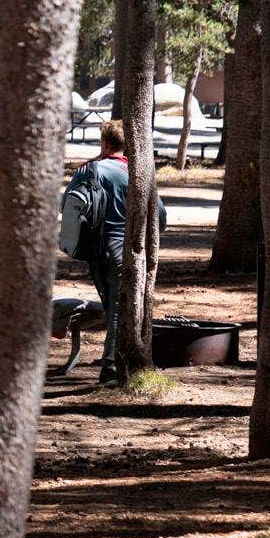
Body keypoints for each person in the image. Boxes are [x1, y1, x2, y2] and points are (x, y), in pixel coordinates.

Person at [64, 119, 160, 385]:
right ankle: (115, 364)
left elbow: (68, 206)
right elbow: (159, 214)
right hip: (129, 249)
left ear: (104, 143)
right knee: (118, 308)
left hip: (98, 249)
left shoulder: (89, 170)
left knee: (114, 307)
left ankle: (111, 365)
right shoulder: (140, 170)